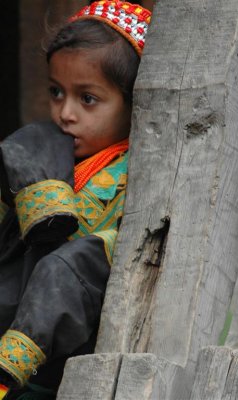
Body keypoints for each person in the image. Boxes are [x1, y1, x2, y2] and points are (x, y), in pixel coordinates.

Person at [0, 1, 151, 399]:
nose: (65, 113)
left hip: (72, 359)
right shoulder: (43, 148)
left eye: (88, 99)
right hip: (10, 312)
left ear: (135, 103)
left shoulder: (143, 175)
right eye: (56, 92)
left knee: (68, 264)